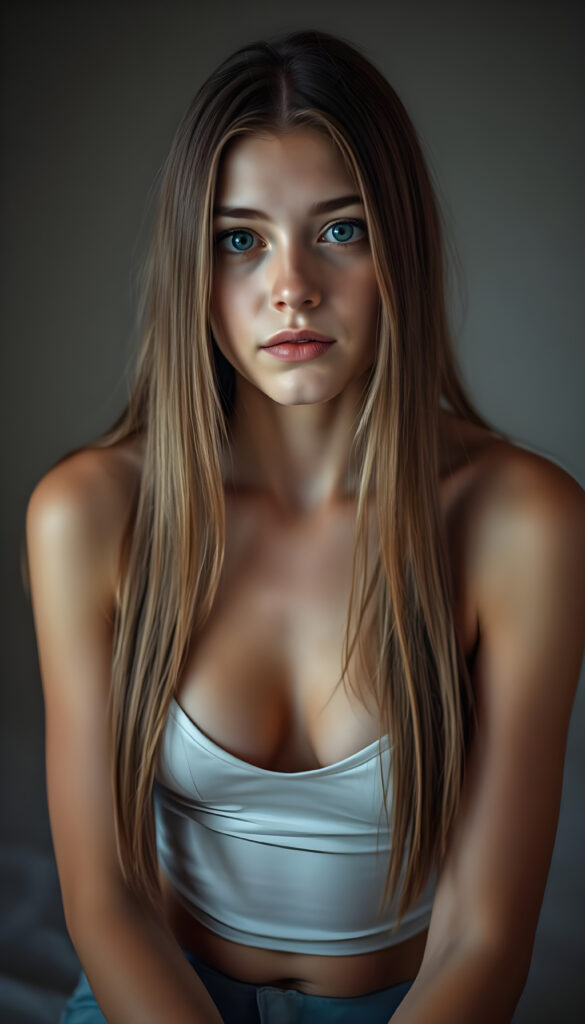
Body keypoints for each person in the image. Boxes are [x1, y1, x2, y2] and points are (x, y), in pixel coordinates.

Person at [24, 28, 584, 1024]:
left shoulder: (521, 521)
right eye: (240, 238)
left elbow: (483, 934)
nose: (292, 287)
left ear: (398, 247)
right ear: (192, 269)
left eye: (341, 229)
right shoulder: (90, 513)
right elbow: (108, 898)